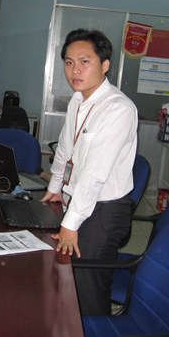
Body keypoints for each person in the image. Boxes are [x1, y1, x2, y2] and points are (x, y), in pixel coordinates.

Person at [41, 28, 138, 315]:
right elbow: (65, 150)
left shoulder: (118, 109)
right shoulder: (78, 99)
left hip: (105, 210)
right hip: (79, 200)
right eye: (69, 62)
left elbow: (94, 174)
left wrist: (70, 224)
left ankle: (95, 333)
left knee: (87, 286)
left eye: (85, 62)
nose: (75, 70)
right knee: (65, 275)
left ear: (105, 65)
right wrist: (55, 188)